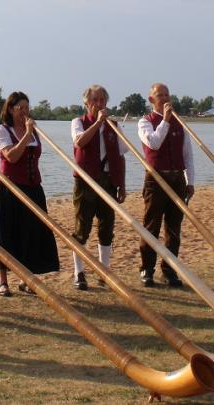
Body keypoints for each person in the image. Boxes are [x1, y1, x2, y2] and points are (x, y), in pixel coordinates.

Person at [0, 91, 59, 296]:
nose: (24, 112)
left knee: (33, 232)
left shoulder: (33, 131)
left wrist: (30, 133)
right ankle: (2, 281)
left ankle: (27, 279)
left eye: (27, 107)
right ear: (11, 110)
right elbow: (11, 156)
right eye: (20, 108)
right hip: (10, 188)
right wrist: (27, 135)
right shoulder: (2, 130)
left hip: (33, 186)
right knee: (6, 232)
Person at [136, 83, 195, 288]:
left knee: (174, 227)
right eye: (159, 95)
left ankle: (169, 271)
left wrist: (191, 181)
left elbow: (187, 155)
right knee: (151, 226)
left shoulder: (180, 123)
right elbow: (154, 143)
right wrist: (166, 120)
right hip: (156, 179)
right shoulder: (145, 122)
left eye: (167, 94)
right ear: (151, 99)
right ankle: (147, 269)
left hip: (177, 178)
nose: (164, 98)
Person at [70, 84, 127, 290]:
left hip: (108, 181)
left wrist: (121, 184)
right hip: (85, 182)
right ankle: (79, 272)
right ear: (86, 103)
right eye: (95, 100)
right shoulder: (79, 122)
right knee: (82, 228)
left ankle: (104, 271)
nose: (99, 104)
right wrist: (98, 123)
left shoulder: (114, 125)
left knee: (106, 227)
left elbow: (121, 156)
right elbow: (80, 142)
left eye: (102, 100)